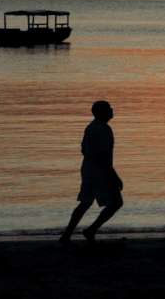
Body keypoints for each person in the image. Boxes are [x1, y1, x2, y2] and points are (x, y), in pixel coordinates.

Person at [59, 101, 123, 245]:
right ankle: (91, 230)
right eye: (109, 109)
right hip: (100, 171)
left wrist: (91, 160)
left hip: (87, 168)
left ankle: (67, 234)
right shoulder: (104, 129)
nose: (112, 110)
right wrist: (114, 176)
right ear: (103, 112)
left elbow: (83, 149)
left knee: (85, 202)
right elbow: (104, 157)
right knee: (116, 203)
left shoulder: (90, 127)